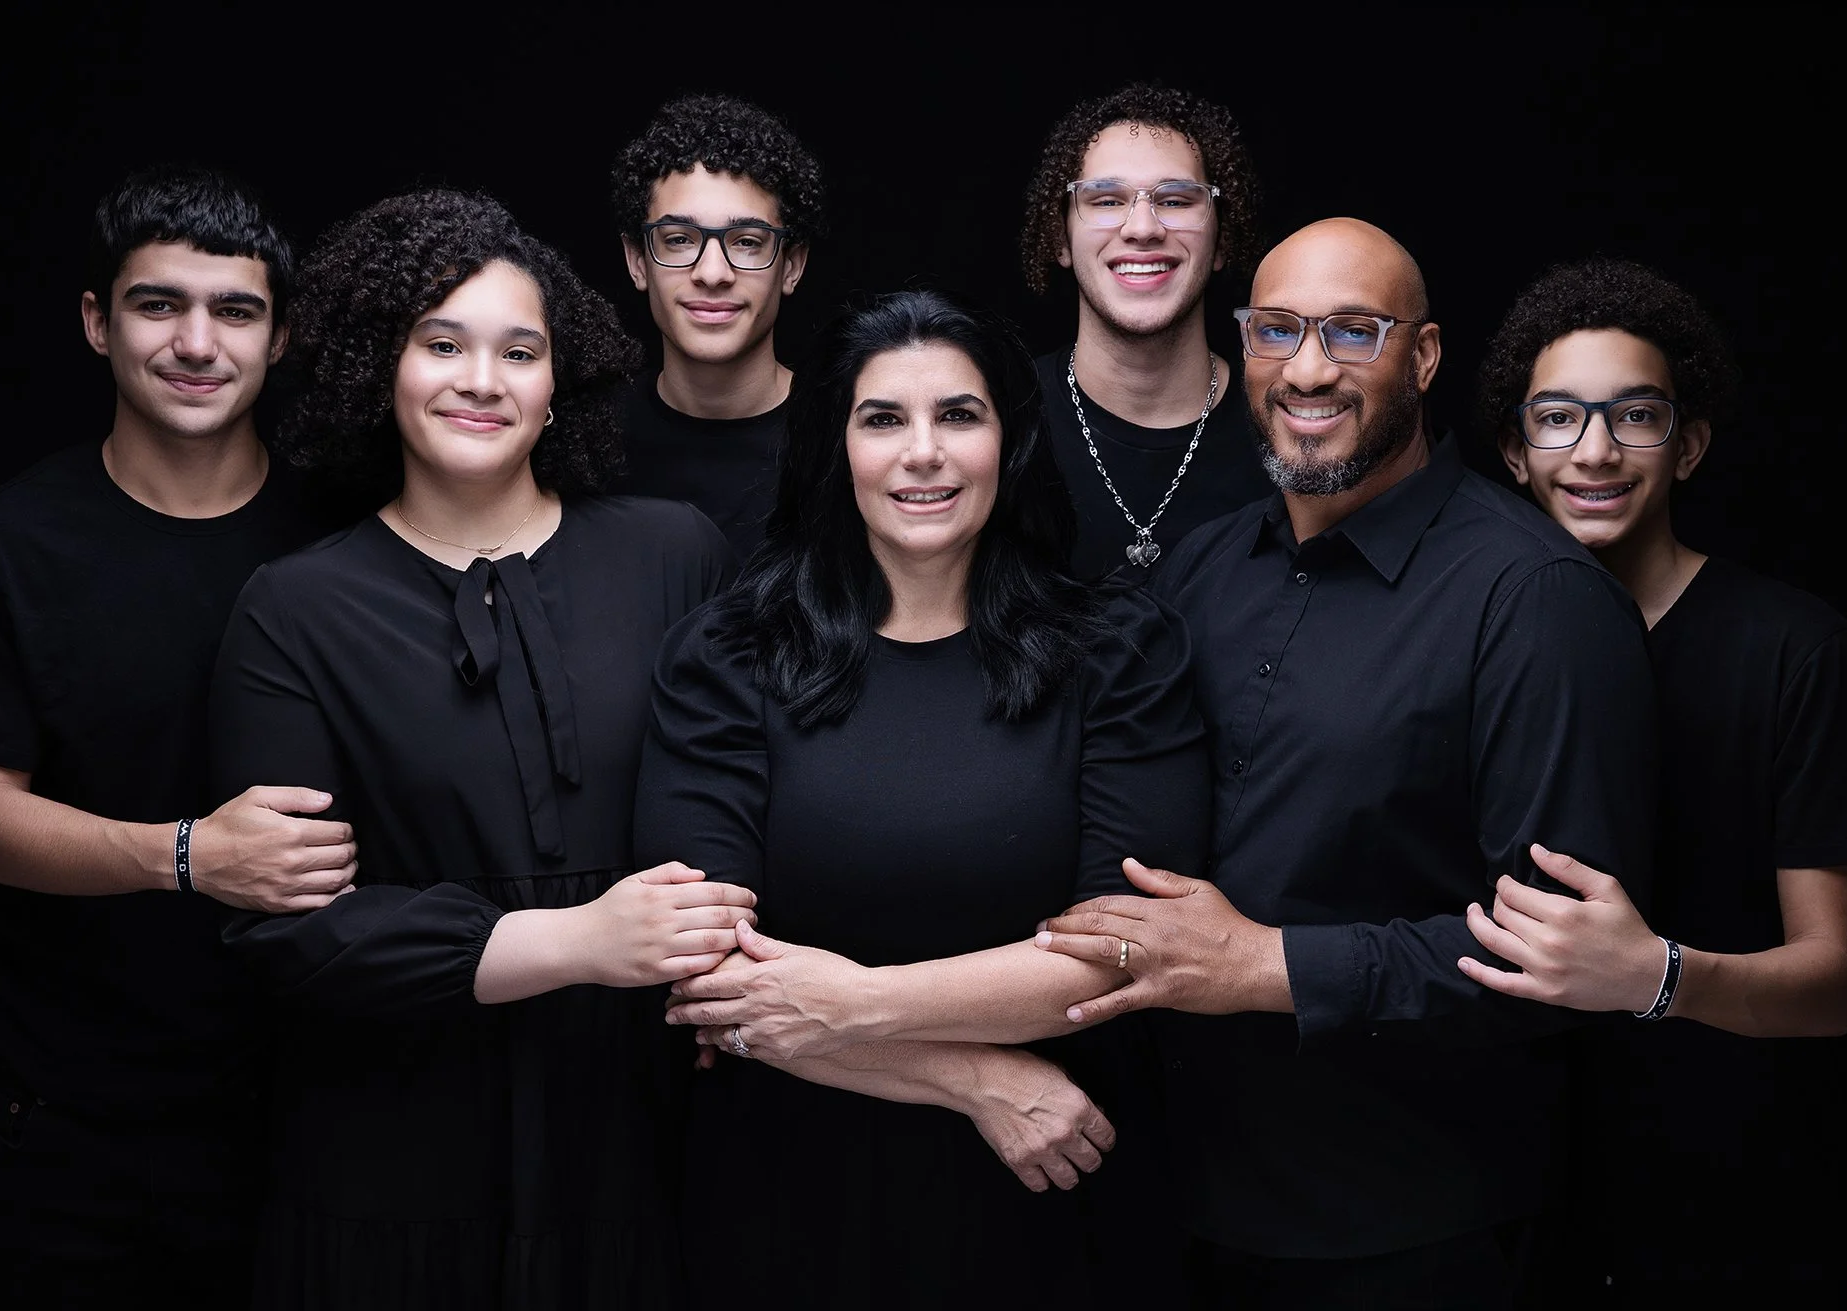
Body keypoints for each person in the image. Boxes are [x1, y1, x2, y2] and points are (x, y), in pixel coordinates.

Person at [1033, 218, 1660, 1310]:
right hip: (1168, 1202)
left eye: (1352, 333)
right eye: (1276, 331)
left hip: (1407, 1232)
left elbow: (1564, 965)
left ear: (1422, 358)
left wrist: (1267, 966)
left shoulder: (1535, 601)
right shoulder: (1200, 568)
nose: (1308, 369)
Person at [207, 188, 749, 1310]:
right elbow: (296, 936)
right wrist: (577, 938)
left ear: (560, 386)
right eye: (441, 344)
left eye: (520, 350)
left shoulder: (673, 555)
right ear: (377, 369)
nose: (482, 381)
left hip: (636, 1125)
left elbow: (748, 801)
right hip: (391, 1140)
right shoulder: (294, 607)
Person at [631, 288, 1210, 1306]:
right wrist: (976, 1077)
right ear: (831, 448)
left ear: (1009, 442)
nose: (923, 452)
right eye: (882, 418)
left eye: (959, 414)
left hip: (1053, 1199)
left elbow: (1127, 950)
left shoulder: (1119, 651)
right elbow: (714, 981)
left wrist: (855, 1004)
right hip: (791, 1198)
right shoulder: (728, 656)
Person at [0, 164, 353, 1309]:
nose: (196, 342)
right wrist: (188, 857)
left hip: (310, 1109)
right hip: (73, 1121)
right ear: (96, 322)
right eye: (158, 304)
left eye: (236, 310)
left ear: (280, 339)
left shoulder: (347, 530)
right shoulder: (8, 543)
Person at [1464, 255, 1847, 1303]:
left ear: (1689, 444)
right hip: (1498, 1186)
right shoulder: (1469, 639)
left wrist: (1656, 976)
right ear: (1517, 454)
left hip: (1728, 1191)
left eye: (1637, 417)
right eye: (1557, 419)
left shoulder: (1793, 647)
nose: (1596, 451)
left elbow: (1836, 984)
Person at [1019, 81, 1274, 578]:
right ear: (1061, 239)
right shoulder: (1003, 420)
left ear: (1221, 240)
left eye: (1176, 200)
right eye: (1106, 199)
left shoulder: (1287, 427)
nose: (1142, 227)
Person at [607, 92, 826, 562]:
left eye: (747, 241)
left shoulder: (843, 435)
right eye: (679, 239)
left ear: (792, 265)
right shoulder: (592, 446)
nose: (712, 273)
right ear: (637, 260)